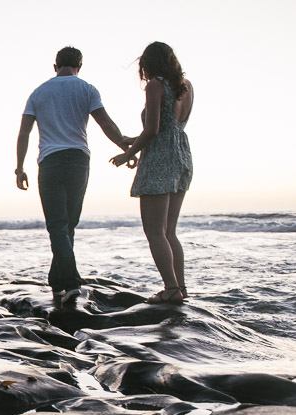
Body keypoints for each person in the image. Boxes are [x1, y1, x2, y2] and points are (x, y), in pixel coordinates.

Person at [16, 46, 131, 305]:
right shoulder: (86, 89)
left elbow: (24, 133)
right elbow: (106, 124)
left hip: (50, 162)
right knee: (67, 225)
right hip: (79, 161)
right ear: (79, 66)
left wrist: (19, 167)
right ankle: (60, 281)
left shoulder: (38, 92)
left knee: (58, 225)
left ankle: (66, 282)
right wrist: (125, 147)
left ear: (55, 66)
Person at [111, 42, 194, 304]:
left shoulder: (155, 85)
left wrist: (128, 154)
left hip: (159, 159)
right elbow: (170, 127)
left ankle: (170, 290)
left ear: (149, 63)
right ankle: (180, 287)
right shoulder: (186, 86)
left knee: (155, 232)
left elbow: (153, 130)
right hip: (181, 156)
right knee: (169, 232)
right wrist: (133, 139)